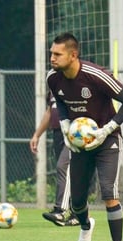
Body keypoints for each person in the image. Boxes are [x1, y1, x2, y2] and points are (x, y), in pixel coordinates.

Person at [46, 32, 123, 241]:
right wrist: (66, 125)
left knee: (109, 192)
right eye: (51, 53)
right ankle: (86, 226)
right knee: (77, 202)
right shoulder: (53, 79)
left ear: (73, 54)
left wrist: (107, 129)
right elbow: (62, 105)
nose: (52, 58)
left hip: (107, 140)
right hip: (81, 144)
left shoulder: (95, 76)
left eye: (57, 54)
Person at [30, 91, 79, 226]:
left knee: (63, 167)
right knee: (72, 174)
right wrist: (37, 135)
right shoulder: (53, 85)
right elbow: (49, 112)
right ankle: (78, 214)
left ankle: (61, 210)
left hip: (75, 134)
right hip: (58, 133)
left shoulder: (74, 83)